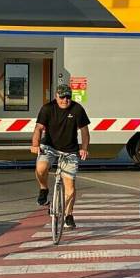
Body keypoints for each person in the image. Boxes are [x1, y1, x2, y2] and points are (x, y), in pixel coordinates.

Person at [31, 84, 90, 229]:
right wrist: (35, 144)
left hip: (70, 150)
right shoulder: (47, 109)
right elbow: (38, 128)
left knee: (70, 186)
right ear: (56, 96)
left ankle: (68, 214)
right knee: (41, 168)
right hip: (49, 147)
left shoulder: (77, 109)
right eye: (62, 97)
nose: (65, 100)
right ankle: (44, 188)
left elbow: (84, 131)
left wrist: (84, 148)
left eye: (68, 97)